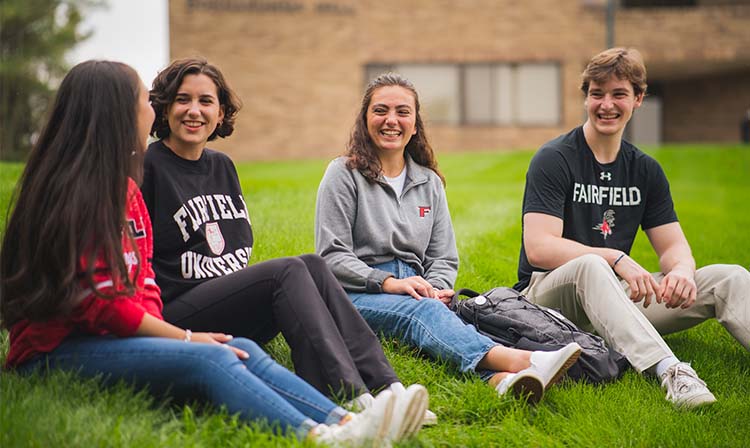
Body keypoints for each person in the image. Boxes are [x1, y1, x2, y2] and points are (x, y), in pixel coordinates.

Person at [0, 60, 418, 446]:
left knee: (244, 348)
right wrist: (183, 338)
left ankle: (348, 420)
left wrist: (180, 335)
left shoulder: (123, 188)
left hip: (116, 331)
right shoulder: (81, 194)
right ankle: (320, 434)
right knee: (211, 357)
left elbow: (140, 279)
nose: (152, 106)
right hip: (57, 351)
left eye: (205, 100)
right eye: (145, 99)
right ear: (114, 113)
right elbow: (102, 307)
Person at [141, 58, 429, 431]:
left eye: (206, 101)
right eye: (183, 100)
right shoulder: (149, 169)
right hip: (179, 317)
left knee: (311, 262)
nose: (194, 111)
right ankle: (349, 395)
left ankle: (387, 387)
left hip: (227, 308)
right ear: (164, 107)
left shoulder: (222, 166)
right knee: (286, 270)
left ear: (221, 111)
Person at [315, 72, 582, 404]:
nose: (391, 121)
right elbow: (331, 256)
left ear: (415, 124)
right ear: (365, 119)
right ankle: (526, 361)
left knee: (445, 318)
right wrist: (387, 282)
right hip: (355, 295)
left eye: (402, 112)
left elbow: (443, 256)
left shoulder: (428, 182)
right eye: (380, 110)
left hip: (418, 288)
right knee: (424, 315)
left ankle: (500, 381)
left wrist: (437, 288)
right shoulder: (343, 175)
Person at [514, 47, 750, 409]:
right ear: (586, 98)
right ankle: (671, 371)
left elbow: (673, 246)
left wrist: (683, 273)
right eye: (597, 94)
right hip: (549, 299)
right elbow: (540, 248)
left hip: (613, 299)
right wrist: (615, 258)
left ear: (638, 98)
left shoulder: (645, 169)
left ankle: (631, 332)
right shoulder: (555, 157)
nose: (606, 104)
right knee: (592, 266)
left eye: (618, 94)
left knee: (728, 277)